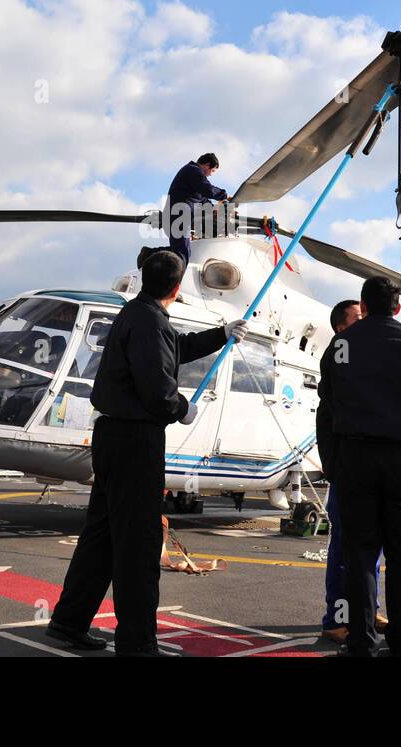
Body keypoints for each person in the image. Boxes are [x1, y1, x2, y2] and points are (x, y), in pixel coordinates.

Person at [48, 250, 247, 655]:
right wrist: (183, 408)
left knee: (102, 536)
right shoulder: (150, 321)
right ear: (177, 287)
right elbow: (158, 391)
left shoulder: (139, 315)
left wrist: (221, 333)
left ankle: (69, 621)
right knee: (138, 544)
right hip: (136, 441)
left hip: (112, 438)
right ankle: (137, 642)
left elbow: (174, 348)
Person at [321, 276, 401, 657]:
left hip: (356, 457)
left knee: (360, 553)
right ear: (398, 307)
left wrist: (336, 456)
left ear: (363, 304)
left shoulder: (342, 344)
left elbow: (327, 403)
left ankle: (360, 641)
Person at [316, 299, 388, 642]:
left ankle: (366, 608)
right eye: (359, 318)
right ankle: (337, 619)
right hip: (348, 475)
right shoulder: (338, 363)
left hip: (366, 473)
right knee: (345, 549)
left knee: (370, 547)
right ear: (342, 329)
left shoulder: (355, 363)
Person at [165, 153, 228, 267]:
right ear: (207, 165)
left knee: (179, 251)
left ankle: (150, 253)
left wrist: (214, 208)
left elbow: (202, 199)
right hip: (179, 217)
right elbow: (207, 189)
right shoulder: (193, 170)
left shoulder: (192, 178)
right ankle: (177, 284)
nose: (211, 175)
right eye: (212, 171)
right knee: (182, 255)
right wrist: (224, 195)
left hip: (176, 218)